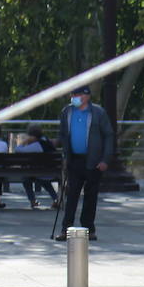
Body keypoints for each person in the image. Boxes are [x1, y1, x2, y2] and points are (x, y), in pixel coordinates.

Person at [54, 85, 114, 241]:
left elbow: (108, 135)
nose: (73, 97)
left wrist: (105, 159)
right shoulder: (66, 112)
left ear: (86, 96)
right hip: (74, 159)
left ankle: (89, 229)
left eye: (76, 94)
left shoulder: (98, 113)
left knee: (91, 196)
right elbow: (62, 134)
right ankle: (65, 229)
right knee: (71, 195)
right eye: (72, 94)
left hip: (93, 161)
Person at [15, 126, 59, 210]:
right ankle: (56, 199)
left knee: (26, 179)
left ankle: (32, 200)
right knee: (42, 180)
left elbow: (18, 149)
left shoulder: (36, 145)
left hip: (42, 173)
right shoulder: (46, 142)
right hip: (53, 171)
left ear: (32, 137)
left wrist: (24, 142)